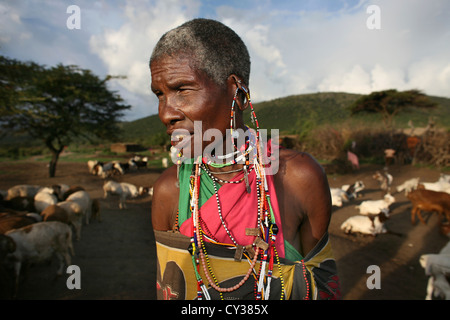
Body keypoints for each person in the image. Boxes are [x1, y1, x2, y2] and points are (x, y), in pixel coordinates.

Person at [149, 18, 340, 300]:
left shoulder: (297, 178)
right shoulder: (169, 189)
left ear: (236, 92)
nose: (166, 113)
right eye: (159, 95)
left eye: (182, 89)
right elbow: (171, 289)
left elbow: (319, 287)